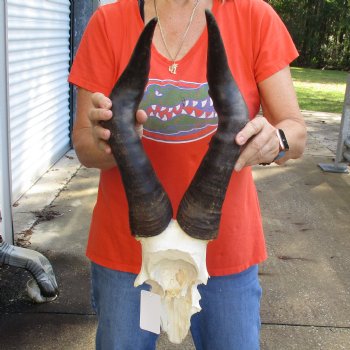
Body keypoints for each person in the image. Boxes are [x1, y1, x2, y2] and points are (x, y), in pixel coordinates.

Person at [69, 0, 307, 348]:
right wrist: (110, 140)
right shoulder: (109, 22)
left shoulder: (253, 16)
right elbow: (84, 146)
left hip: (224, 257)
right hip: (135, 264)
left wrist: (277, 140)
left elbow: (296, 133)